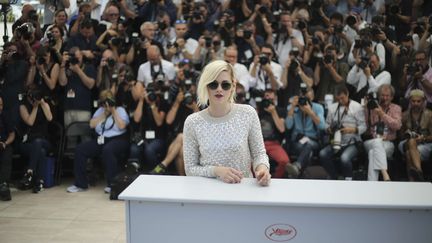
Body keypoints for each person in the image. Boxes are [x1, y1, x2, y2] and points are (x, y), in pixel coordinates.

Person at [183, 60, 271, 186]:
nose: (219, 89)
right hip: (206, 192)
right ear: (206, 86)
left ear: (233, 86)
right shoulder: (192, 122)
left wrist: (262, 169)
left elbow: (259, 154)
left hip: (243, 191)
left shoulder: (248, 113)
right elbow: (190, 169)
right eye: (213, 84)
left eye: (225, 85)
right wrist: (217, 171)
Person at [67, 90, 130, 193]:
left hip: (118, 139)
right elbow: (92, 124)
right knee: (80, 149)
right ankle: (81, 184)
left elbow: (122, 125)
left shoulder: (120, 110)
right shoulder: (100, 111)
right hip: (101, 139)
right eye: (104, 102)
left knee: (108, 150)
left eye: (108, 102)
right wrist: (104, 114)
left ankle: (112, 184)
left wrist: (113, 111)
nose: (106, 105)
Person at [319, 85, 367, 180]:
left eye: (342, 98)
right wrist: (329, 129)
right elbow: (326, 125)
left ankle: (348, 179)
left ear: (347, 94)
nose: (340, 101)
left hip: (353, 141)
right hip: (336, 141)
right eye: (338, 99)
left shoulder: (356, 107)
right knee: (322, 154)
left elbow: (364, 126)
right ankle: (335, 177)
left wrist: (352, 129)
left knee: (344, 158)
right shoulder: (332, 108)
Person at [18, 85, 53, 193]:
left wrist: (41, 103)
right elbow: (30, 122)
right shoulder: (23, 107)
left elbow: (50, 118)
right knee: (40, 151)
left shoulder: (44, 104)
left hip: (44, 140)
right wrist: (35, 107)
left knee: (39, 143)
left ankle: (29, 172)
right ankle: (40, 182)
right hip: (28, 142)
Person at [363, 84, 402, 181]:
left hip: (388, 142)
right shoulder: (372, 107)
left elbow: (397, 126)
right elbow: (365, 127)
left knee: (373, 153)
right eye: (382, 95)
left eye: (387, 95)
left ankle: (372, 184)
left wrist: (382, 114)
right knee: (376, 141)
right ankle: (385, 173)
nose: (384, 98)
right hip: (371, 141)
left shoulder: (396, 108)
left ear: (392, 97)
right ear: (379, 96)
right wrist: (365, 108)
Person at [285, 87, 326, 178]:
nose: (304, 103)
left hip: (313, 141)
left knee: (308, 145)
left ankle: (297, 167)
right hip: (297, 141)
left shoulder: (318, 108)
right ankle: (304, 176)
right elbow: (288, 125)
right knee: (308, 151)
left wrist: (310, 112)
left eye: (306, 100)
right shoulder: (293, 108)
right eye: (302, 99)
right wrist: (292, 106)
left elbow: (322, 126)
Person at [398, 89, 432, 181]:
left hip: (425, 144)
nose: (416, 103)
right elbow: (400, 136)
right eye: (413, 101)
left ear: (423, 101)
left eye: (418, 101)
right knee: (411, 141)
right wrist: (406, 135)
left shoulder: (429, 115)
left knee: (409, 154)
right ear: (410, 101)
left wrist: (423, 138)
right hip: (406, 143)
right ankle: (419, 171)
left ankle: (413, 181)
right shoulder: (404, 115)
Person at [0, 96, 15, 201]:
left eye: (1, 105)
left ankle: (4, 184)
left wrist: (5, 143)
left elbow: (12, 134)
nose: (0, 107)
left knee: (7, 153)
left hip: (4, 144)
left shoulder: (5, 115)